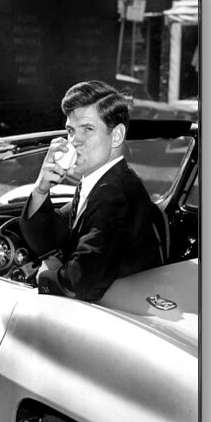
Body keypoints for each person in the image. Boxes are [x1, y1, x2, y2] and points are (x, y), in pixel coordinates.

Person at [20, 80, 163, 302]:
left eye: (87, 129)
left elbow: (79, 285)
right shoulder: (100, 182)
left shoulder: (114, 196)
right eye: (70, 130)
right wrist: (41, 189)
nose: (74, 141)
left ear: (116, 136)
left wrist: (45, 275)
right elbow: (51, 235)